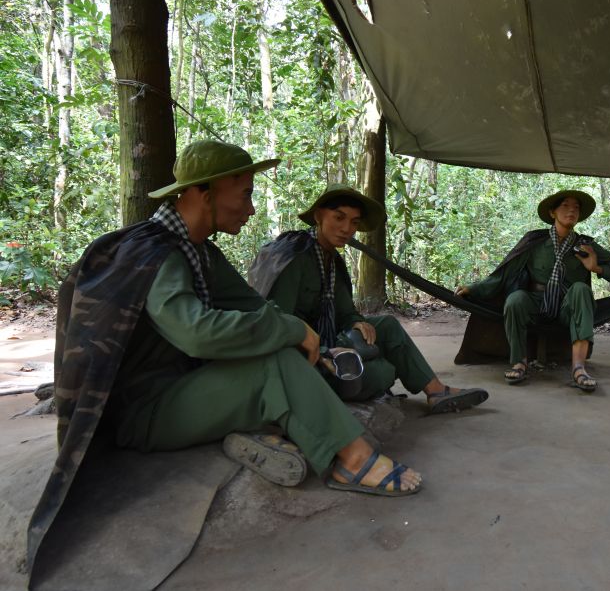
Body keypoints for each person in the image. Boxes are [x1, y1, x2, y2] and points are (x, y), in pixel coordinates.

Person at [33, 140, 423, 536]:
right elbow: (198, 335)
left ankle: (270, 433)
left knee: (292, 357)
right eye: (246, 194)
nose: (251, 209)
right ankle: (352, 460)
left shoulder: (200, 253)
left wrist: (308, 342)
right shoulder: (157, 253)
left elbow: (255, 307)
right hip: (143, 413)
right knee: (276, 363)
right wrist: (289, 330)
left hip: (185, 388)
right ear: (206, 192)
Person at [247, 183, 488, 414]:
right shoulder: (296, 255)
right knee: (383, 372)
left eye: (354, 222)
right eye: (339, 218)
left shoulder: (333, 260)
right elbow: (279, 322)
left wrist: (355, 321)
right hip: (303, 355)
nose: (347, 229)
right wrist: (325, 350)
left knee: (388, 327)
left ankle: (436, 392)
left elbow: (344, 310)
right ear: (319, 216)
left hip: (332, 339)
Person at [456, 190, 610, 391]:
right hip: (535, 303)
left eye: (576, 207)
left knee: (581, 289)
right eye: (565, 205)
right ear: (552, 212)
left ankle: (579, 368)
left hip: (568, 307)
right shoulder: (534, 242)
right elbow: (503, 274)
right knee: (515, 299)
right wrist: (473, 288)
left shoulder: (585, 246)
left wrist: (595, 267)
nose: (571, 210)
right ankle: (519, 363)